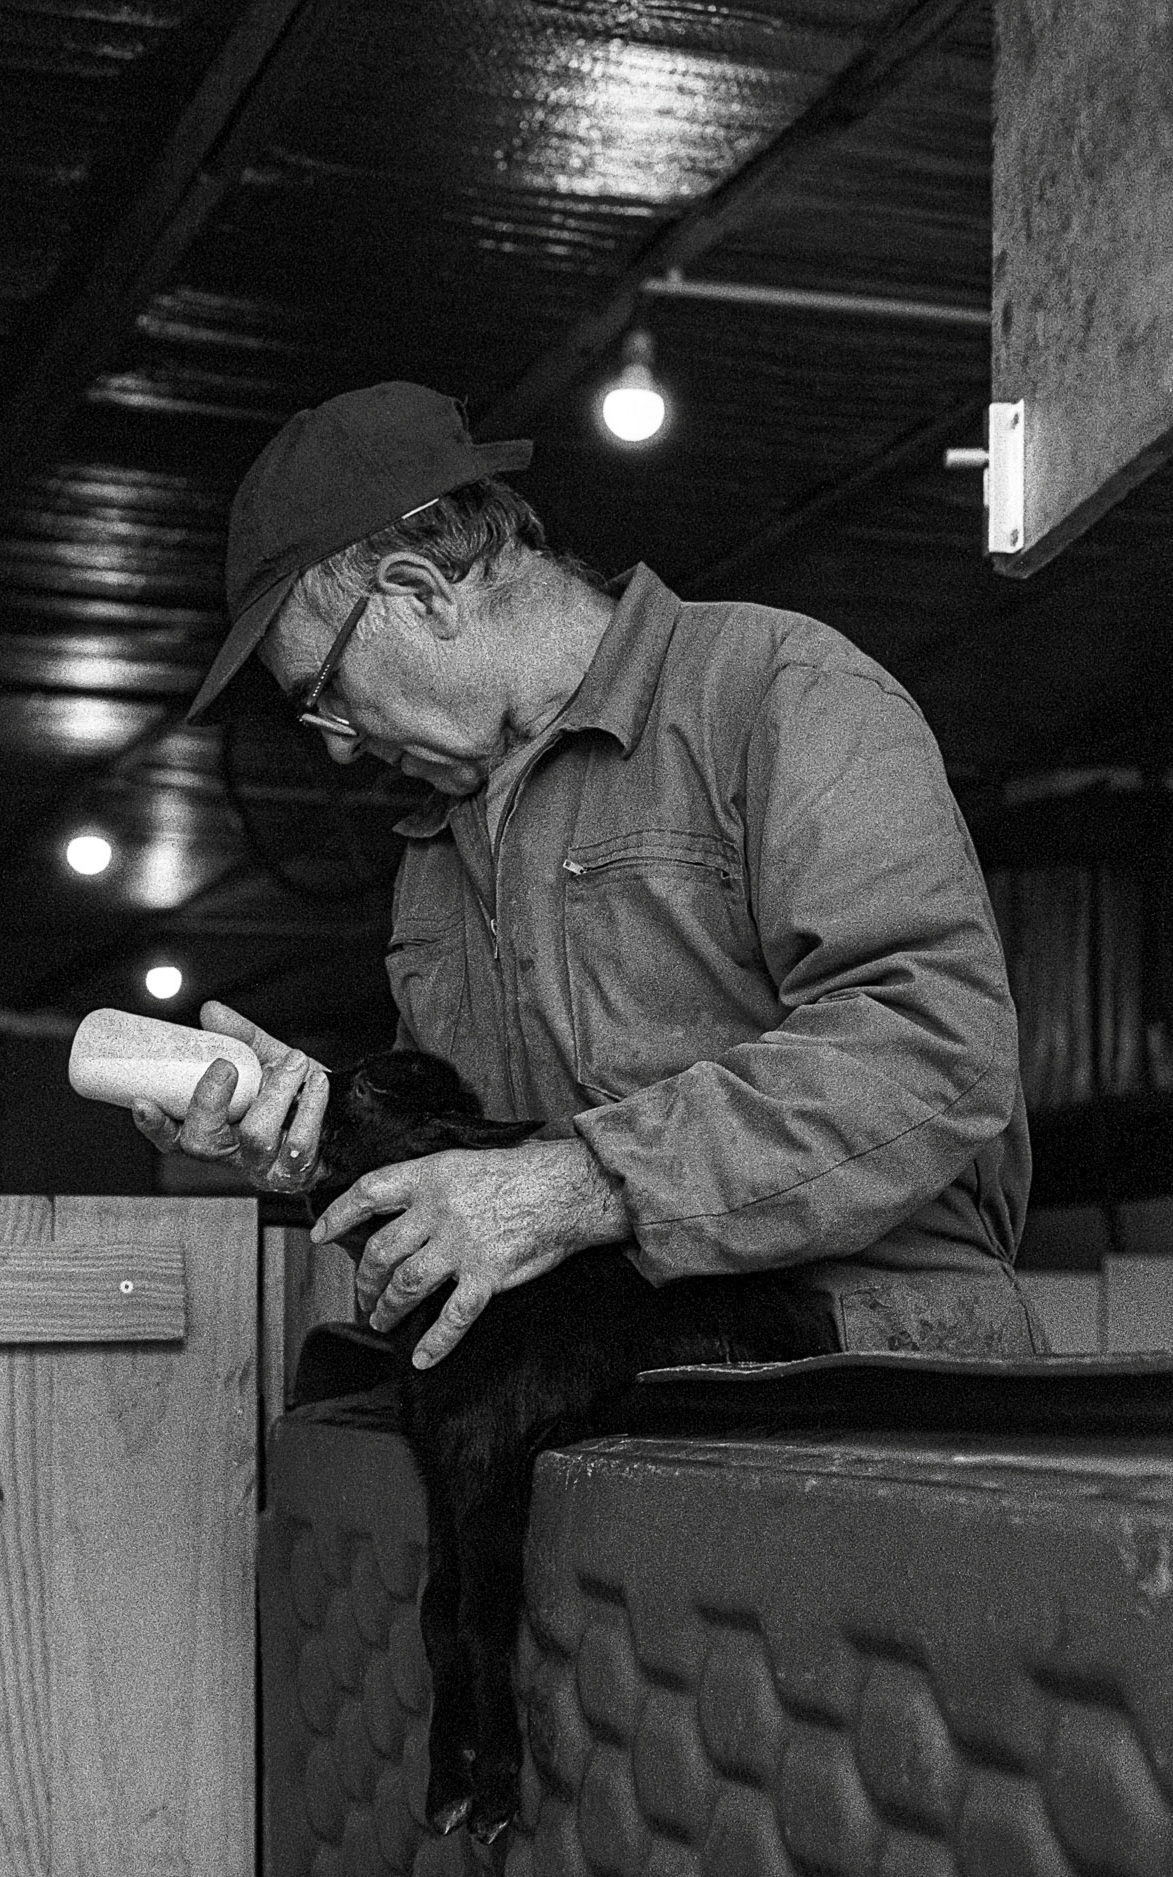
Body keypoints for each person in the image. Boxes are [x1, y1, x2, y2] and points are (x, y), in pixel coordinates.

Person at [134, 380, 1043, 1368]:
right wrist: (320, 1133)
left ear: (420, 592)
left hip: (869, 1374)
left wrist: (585, 1182)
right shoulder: (438, 846)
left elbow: (930, 1044)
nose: (340, 747)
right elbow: (475, 1179)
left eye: (325, 694)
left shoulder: (777, 694)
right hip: (612, 1378)